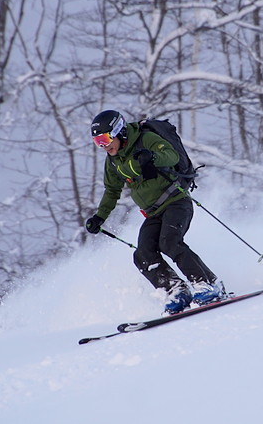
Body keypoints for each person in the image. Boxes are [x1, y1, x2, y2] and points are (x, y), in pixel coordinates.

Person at [84, 110, 224, 314]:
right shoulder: (113, 161)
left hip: (176, 201)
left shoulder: (145, 139)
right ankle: (177, 291)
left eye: (105, 139)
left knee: (169, 242)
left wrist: (152, 157)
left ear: (117, 131)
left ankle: (208, 284)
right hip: (153, 212)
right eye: (98, 142)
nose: (103, 145)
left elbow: (171, 155)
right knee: (142, 254)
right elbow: (112, 190)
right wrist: (99, 217)